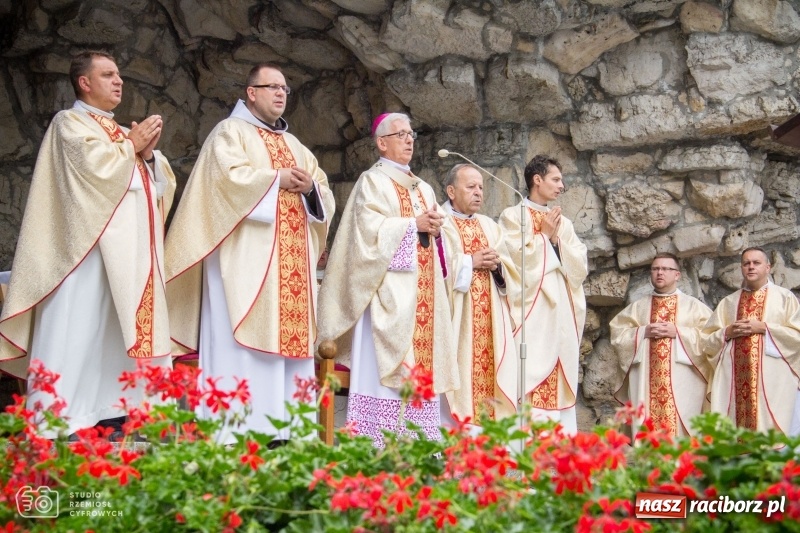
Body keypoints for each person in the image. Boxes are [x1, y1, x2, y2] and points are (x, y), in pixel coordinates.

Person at [0, 51, 176, 437]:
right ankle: (61, 417)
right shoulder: (69, 123)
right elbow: (92, 171)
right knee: (78, 331)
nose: (119, 81)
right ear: (84, 82)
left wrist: (148, 157)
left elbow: (154, 188)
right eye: (108, 74)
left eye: (119, 75)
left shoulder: (120, 132)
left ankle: (113, 409)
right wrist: (131, 147)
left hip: (128, 259)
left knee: (114, 336)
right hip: (84, 256)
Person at [164, 63, 334, 441]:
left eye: (285, 88)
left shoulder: (295, 145)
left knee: (288, 354)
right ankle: (239, 433)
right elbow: (225, 183)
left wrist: (310, 190)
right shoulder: (229, 133)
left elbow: (322, 189)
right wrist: (276, 180)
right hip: (244, 267)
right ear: (251, 93)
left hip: (290, 271)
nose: (280, 93)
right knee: (244, 350)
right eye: (272, 87)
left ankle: (291, 434)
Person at [316, 112, 457, 447]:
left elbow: (444, 239)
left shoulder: (423, 188)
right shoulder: (372, 182)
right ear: (381, 143)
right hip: (385, 297)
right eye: (400, 134)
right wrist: (412, 226)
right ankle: (377, 444)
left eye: (411, 134)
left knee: (420, 375)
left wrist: (439, 231)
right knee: (383, 378)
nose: (409, 140)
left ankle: (419, 447)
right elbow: (366, 235)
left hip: (423, 299)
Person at [498, 155, 587, 435]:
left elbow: (579, 266)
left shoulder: (564, 223)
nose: (561, 186)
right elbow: (512, 261)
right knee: (528, 372)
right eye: (556, 179)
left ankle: (559, 442)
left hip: (559, 315)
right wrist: (543, 237)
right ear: (537, 180)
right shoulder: (513, 217)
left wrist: (555, 239)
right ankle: (525, 441)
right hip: (531, 315)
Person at [440, 164, 519, 426]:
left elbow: (510, 273)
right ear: (451, 191)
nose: (478, 193)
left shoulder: (490, 226)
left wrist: (498, 267)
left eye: (481, 187)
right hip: (458, 321)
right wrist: (469, 262)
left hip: (490, 323)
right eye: (471, 187)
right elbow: (434, 270)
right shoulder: (440, 223)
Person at [609, 253, 712, 438]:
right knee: (648, 429)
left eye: (665, 269)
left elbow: (710, 339)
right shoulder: (638, 308)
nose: (659, 273)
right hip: (646, 382)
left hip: (683, 383)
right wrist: (643, 332)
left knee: (680, 434)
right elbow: (618, 335)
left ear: (677, 275)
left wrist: (678, 333)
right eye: (655, 269)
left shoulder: (694, 307)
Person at [702, 247, 800, 435]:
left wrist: (764, 328)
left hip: (774, 382)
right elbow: (707, 341)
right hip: (735, 382)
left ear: (768, 267)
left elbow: (796, 336)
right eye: (746, 263)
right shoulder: (729, 303)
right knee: (738, 435)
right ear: (741, 268)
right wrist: (727, 332)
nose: (751, 267)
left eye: (756, 263)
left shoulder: (785, 298)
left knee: (773, 434)